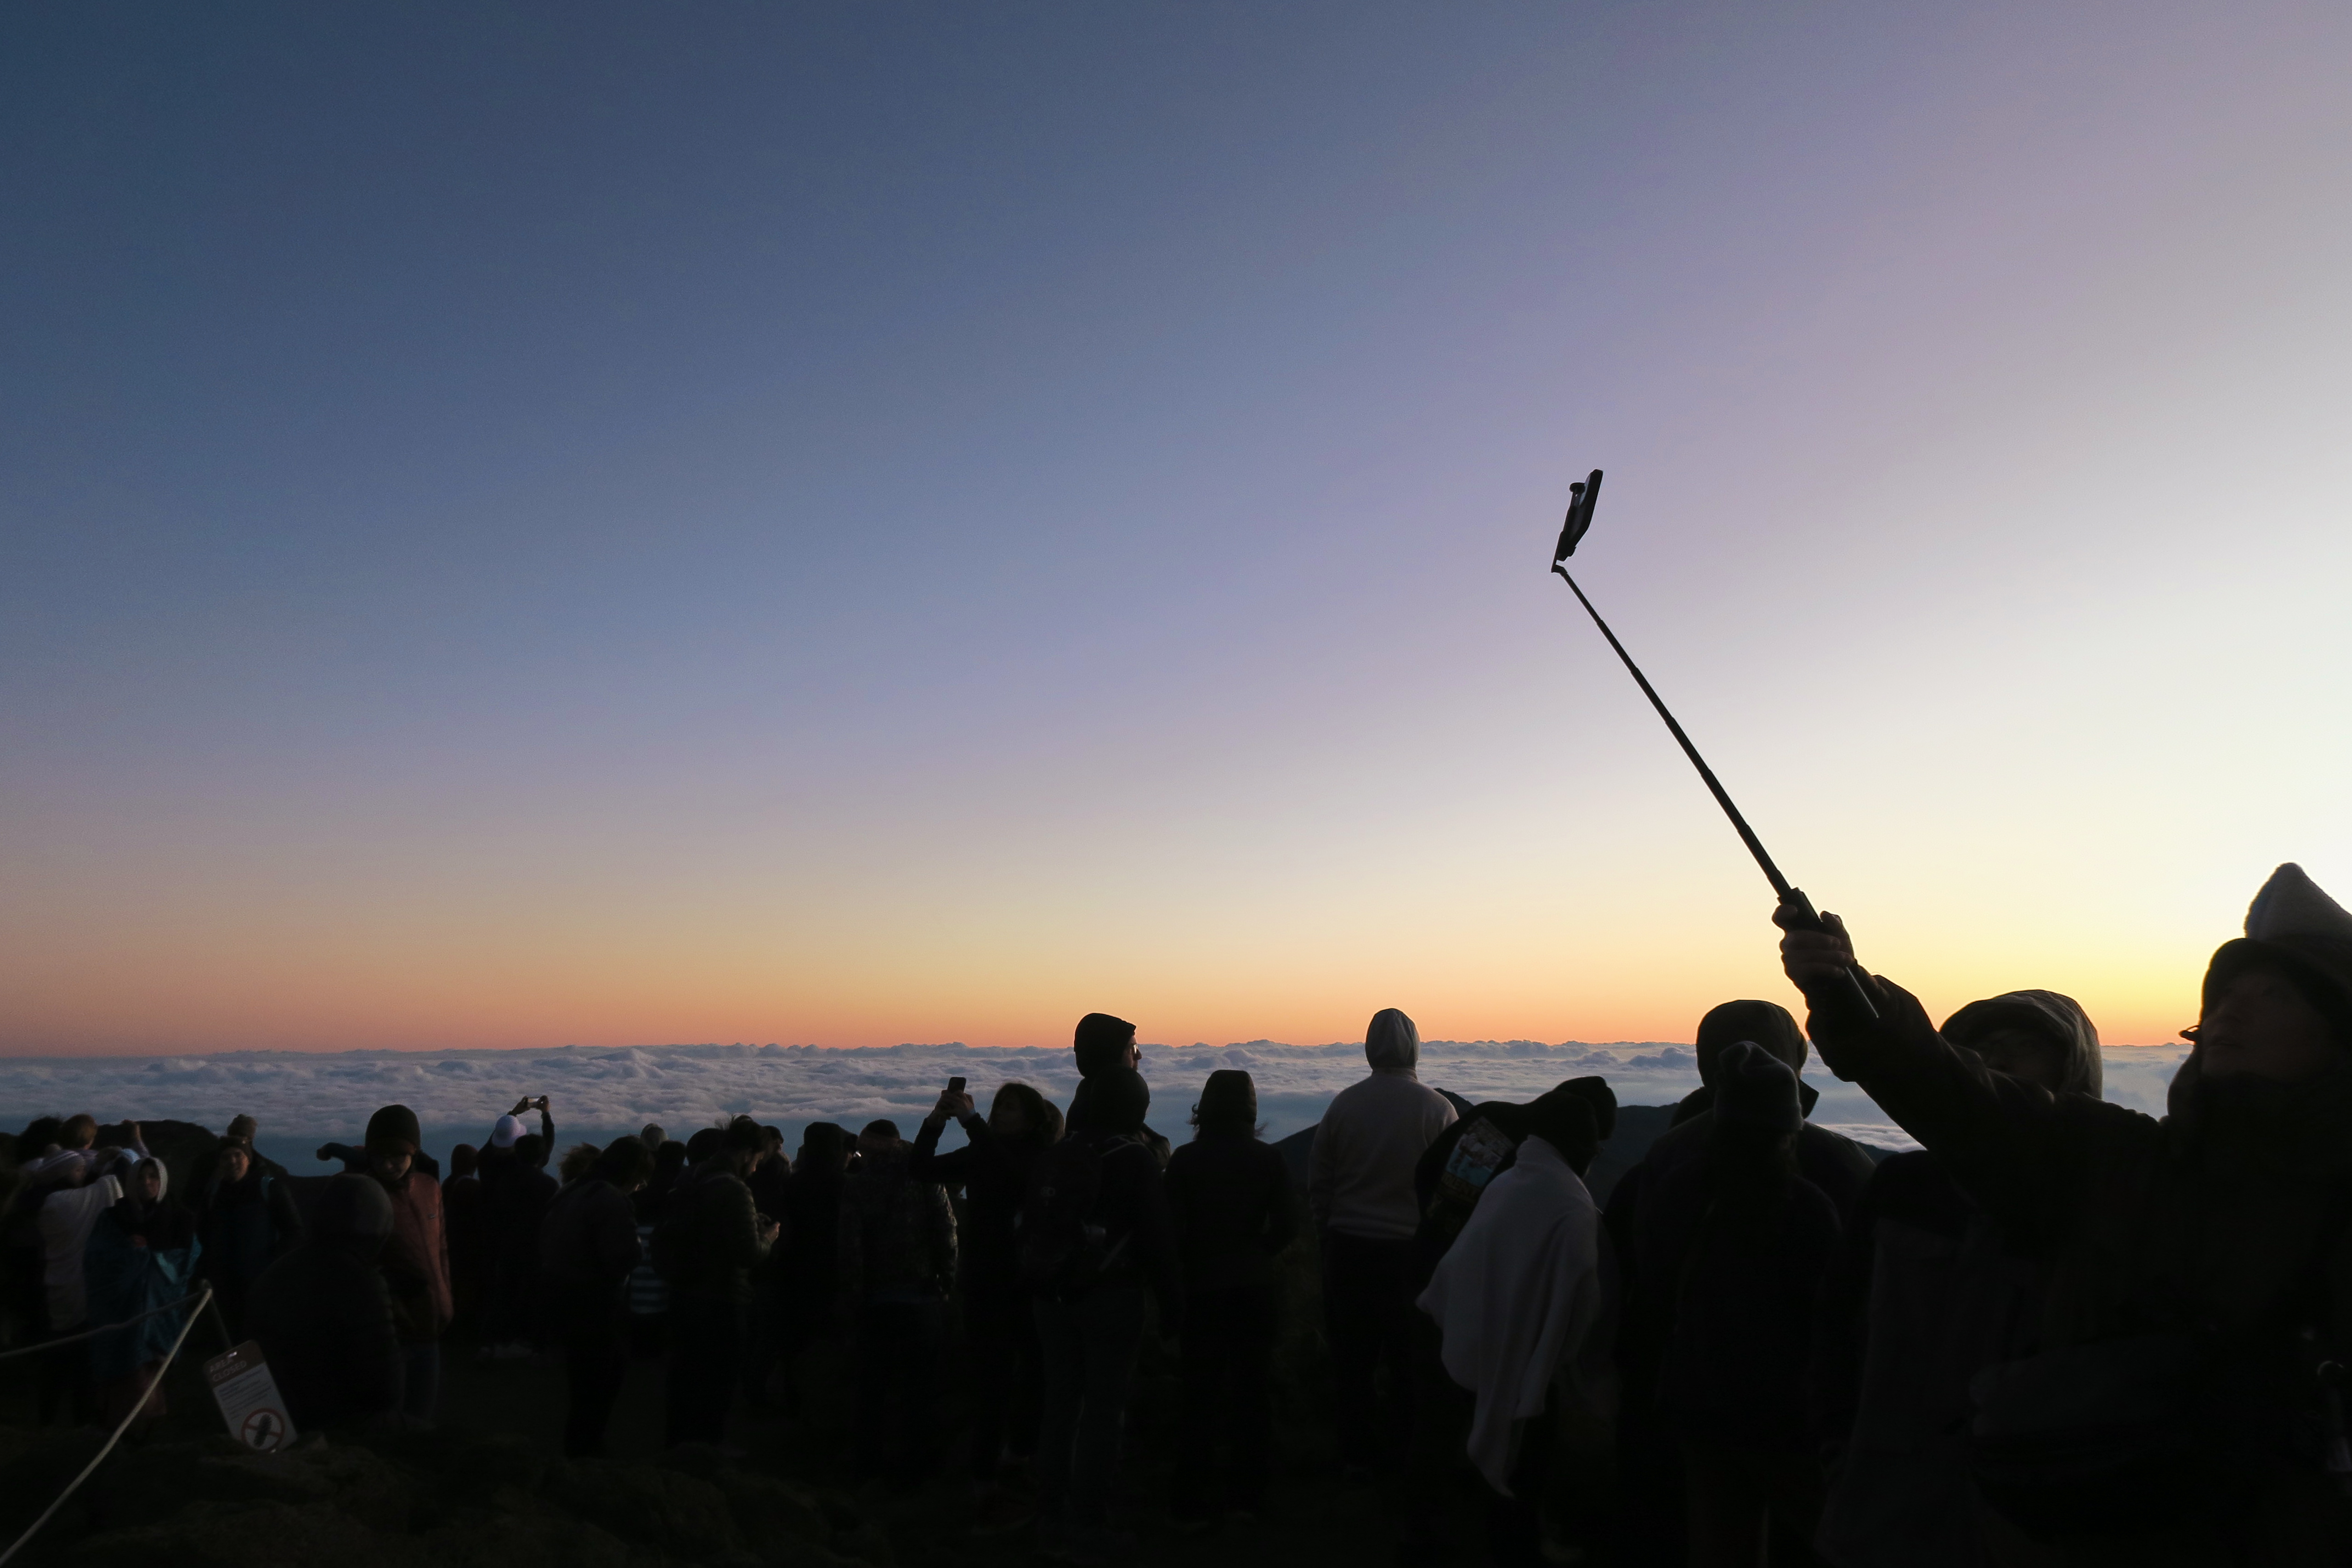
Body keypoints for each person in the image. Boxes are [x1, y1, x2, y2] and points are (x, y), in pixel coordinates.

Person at [1780, 862, 2352, 1562]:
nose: (2231, 1009)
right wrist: (1848, 994)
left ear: (2335, 1034)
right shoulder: (2120, 1160)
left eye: (2270, 994)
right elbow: (1956, 1094)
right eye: (2223, 993)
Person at [1814, 990, 2101, 1568]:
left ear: (2073, 1068)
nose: (1996, 1061)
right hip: (1887, 1498)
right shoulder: (1903, 1186)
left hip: (2040, 1507)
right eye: (1978, 1048)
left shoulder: (2103, 1198)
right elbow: (1839, 1327)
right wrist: (1835, 1451)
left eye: (2024, 1048)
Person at [1604, 999, 1872, 1567]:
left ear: (1706, 1066)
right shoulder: (1841, 1166)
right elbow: (1860, 1302)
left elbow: (1650, 1278)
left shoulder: (1667, 1156)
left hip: (1696, 1395)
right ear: (1798, 1059)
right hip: (1803, 1409)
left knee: (1722, 1536)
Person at [1417, 1091, 1617, 1568]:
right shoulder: (1571, 1208)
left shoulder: (1508, 1181)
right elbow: (1583, 1302)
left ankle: (1455, 1534)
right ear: (1582, 1149)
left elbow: (1460, 1262)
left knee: (1464, 1456)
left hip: (1467, 1345)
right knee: (1525, 1464)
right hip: (1525, 1364)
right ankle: (1516, 1545)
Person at [1028, 1065, 1181, 1563]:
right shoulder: (1133, 1158)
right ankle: (1087, 1521)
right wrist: (1173, 1308)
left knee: (1059, 1403)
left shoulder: (1057, 1152)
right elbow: (1157, 1239)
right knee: (1101, 1411)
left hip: (1050, 1294)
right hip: (1111, 1296)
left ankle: (1047, 1512)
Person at [1307, 1006, 1458, 1479]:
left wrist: (1325, 1234)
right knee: (1409, 1364)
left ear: (1369, 1047)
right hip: (1412, 1257)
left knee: (1353, 1362)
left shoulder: (1344, 1105)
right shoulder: (1438, 1109)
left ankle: (1356, 1456)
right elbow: (1451, 1192)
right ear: (1416, 1046)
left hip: (1349, 1250)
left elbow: (1320, 1182)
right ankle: (1404, 1460)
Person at [912, 1081, 1060, 1525]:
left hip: (1027, 1281)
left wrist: (974, 1125)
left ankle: (1018, 1459)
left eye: (1009, 1107)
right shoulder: (985, 1150)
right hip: (986, 1284)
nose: (999, 1112)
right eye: (997, 1106)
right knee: (993, 1385)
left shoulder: (1040, 1157)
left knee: (1034, 1377)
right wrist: (935, 1122)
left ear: (1033, 1118)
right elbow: (921, 1169)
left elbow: (1012, 1175)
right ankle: (986, 1481)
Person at [1164, 1069, 1297, 1528]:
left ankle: (1188, 1498)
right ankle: (1247, 1497)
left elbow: (1169, 1230)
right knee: (1251, 1395)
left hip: (1201, 1289)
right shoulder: (1268, 1159)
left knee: (1198, 1396)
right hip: (1252, 1288)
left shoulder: (1184, 1160)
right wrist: (1258, 1251)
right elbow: (1288, 1224)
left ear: (1205, 1106)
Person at [838, 1119, 957, 1487]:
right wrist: (948, 1282)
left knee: (871, 1391)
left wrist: (855, 1298)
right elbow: (946, 1231)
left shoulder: (857, 1186)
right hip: (922, 1299)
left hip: (876, 1303)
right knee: (921, 1390)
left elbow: (850, 1249)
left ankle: (868, 1466)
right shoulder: (925, 1178)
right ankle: (918, 1470)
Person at [655, 1115, 779, 1452]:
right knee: (718, 1377)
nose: (756, 1169)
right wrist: (767, 1236)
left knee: (684, 1374)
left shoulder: (691, 1174)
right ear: (748, 1152)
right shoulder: (734, 1187)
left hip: (683, 1290)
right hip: (721, 1296)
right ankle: (709, 1444)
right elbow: (748, 1253)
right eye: (757, 1160)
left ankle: (678, 1441)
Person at [250, 1174, 405, 1430]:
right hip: (340, 1427)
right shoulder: (362, 1281)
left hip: (280, 1420)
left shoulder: (276, 1273)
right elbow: (385, 1388)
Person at [541, 1135, 654, 1456]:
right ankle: (586, 1452)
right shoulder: (610, 1199)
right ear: (632, 1173)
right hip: (594, 1303)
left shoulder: (572, 1189)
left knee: (584, 1382)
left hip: (562, 1296)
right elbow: (621, 1258)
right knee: (600, 1380)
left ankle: (580, 1448)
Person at [83, 1156, 202, 1432]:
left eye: (153, 1177)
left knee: (150, 1368)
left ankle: (148, 1424)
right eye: (140, 1177)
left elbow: (186, 1260)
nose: (146, 1183)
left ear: (162, 1181)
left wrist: (149, 1261)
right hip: (120, 1309)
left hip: (160, 1308)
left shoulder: (180, 1217)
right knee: (123, 1366)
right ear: (131, 1181)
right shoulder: (113, 1216)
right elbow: (96, 1258)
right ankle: (119, 1425)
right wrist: (131, 1256)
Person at [364, 1103, 453, 1423]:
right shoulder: (364, 1196)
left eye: (397, 1156)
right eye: (379, 1157)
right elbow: (357, 1266)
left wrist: (446, 1300)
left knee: (421, 1421)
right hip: (393, 1335)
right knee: (391, 1423)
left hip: (431, 1324)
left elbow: (441, 1249)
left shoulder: (429, 1188)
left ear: (413, 1153)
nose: (388, 1165)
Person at [34, 1146, 135, 1425]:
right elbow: (113, 1181)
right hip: (81, 1291)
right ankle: (82, 1420)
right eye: (79, 1169)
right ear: (64, 1174)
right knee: (81, 1364)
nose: (84, 1173)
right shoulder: (60, 1202)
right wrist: (114, 1158)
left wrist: (93, 1167)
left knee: (56, 1363)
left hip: (58, 1289)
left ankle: (47, 1418)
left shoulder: (47, 1202)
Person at [195, 1135, 302, 1339]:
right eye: (226, 1157)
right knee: (235, 1344)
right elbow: (204, 1236)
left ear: (249, 1159)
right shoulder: (214, 1195)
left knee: (265, 1342)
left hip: (263, 1288)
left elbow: (294, 1232)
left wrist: (274, 1268)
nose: (232, 1161)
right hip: (225, 1290)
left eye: (238, 1155)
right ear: (220, 1162)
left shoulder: (270, 1188)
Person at [776, 1122, 849, 1412]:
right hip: (834, 1272)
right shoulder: (845, 1185)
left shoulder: (792, 1182)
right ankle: (827, 1406)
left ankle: (794, 1400)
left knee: (797, 1341)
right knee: (831, 1341)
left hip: (795, 1271)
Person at [479, 1097, 557, 1358]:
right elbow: (546, 1149)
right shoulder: (543, 1182)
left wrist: (513, 1115)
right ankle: (530, 1341)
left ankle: (495, 1340)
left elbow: (491, 1146)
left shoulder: (489, 1167)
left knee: (503, 1293)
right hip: (534, 1245)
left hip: (500, 1241)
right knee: (533, 1294)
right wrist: (545, 1115)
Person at [1073, 1012, 1173, 1165]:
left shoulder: (1088, 1099)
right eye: (1132, 1049)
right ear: (1110, 1054)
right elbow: (1139, 1160)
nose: (1139, 1055)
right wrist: (1160, 1149)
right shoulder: (1107, 1106)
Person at [442, 1142, 486, 1332]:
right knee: (468, 1289)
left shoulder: (447, 1184)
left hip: (450, 1245)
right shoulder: (473, 1188)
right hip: (469, 1249)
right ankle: (465, 1328)